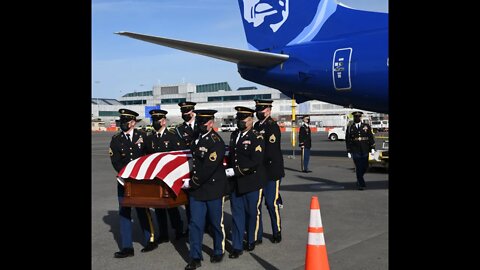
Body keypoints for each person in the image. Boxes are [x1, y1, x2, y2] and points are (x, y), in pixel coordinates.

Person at [183, 110, 229, 270]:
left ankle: (218, 250)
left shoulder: (216, 142)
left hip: (212, 188)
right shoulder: (195, 139)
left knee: (216, 223)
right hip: (197, 191)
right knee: (195, 223)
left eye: (204, 123)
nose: (201, 125)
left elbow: (209, 167)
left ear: (211, 123)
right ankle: (195, 257)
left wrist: (193, 182)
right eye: (199, 122)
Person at [109, 108, 157, 258]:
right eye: (121, 122)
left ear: (133, 122)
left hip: (140, 181)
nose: (122, 124)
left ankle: (150, 240)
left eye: (125, 122)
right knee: (124, 213)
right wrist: (125, 175)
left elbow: (150, 156)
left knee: (143, 210)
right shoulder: (116, 139)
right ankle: (127, 247)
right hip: (124, 181)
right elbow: (115, 160)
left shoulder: (143, 136)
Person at [225, 106, 266, 258]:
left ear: (251, 120)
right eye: (239, 119)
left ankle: (251, 239)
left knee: (252, 213)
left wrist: (236, 171)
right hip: (236, 183)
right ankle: (236, 246)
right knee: (237, 214)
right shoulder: (234, 134)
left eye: (243, 120)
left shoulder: (257, 136)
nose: (240, 122)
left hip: (251, 181)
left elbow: (256, 161)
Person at [145, 109, 187, 243]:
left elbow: (178, 158)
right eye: (153, 121)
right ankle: (163, 233)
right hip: (156, 179)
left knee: (172, 206)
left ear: (163, 121)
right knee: (158, 208)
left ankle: (178, 230)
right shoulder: (149, 138)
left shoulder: (173, 137)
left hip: (169, 178)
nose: (155, 123)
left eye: (157, 120)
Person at [253, 99, 285, 244]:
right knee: (257, 204)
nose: (259, 112)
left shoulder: (272, 127)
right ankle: (257, 235)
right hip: (259, 171)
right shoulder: (256, 125)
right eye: (258, 109)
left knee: (271, 204)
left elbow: (270, 151)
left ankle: (276, 230)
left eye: (262, 109)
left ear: (269, 110)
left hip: (271, 171)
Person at [345, 111, 376, 190]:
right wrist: (348, 151)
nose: (357, 118)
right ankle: (361, 184)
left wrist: (372, 147)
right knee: (358, 167)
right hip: (355, 150)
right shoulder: (350, 127)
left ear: (361, 117)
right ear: (354, 118)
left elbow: (370, 137)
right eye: (356, 117)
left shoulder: (366, 126)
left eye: (359, 117)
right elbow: (347, 140)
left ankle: (359, 178)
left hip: (365, 148)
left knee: (365, 166)